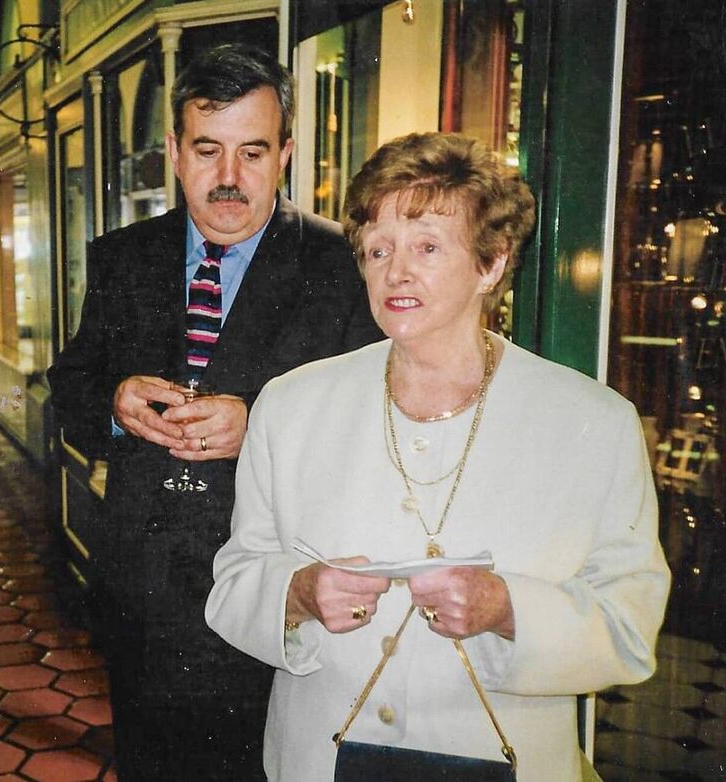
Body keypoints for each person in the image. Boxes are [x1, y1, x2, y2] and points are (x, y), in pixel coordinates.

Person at [205, 132, 671, 781]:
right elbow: (234, 585)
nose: (396, 271)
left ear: (491, 263)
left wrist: (509, 610)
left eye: (427, 246)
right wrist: (301, 593)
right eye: (378, 249)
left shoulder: (593, 425)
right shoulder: (290, 407)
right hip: (321, 758)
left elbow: (630, 627)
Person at [47, 43, 382, 780]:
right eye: (207, 150)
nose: (229, 179)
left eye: (253, 153)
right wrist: (114, 403)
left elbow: (374, 424)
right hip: (142, 596)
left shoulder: (343, 266)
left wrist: (259, 426)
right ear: (173, 150)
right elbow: (68, 387)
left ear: (286, 152)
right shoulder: (122, 257)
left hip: (270, 599)